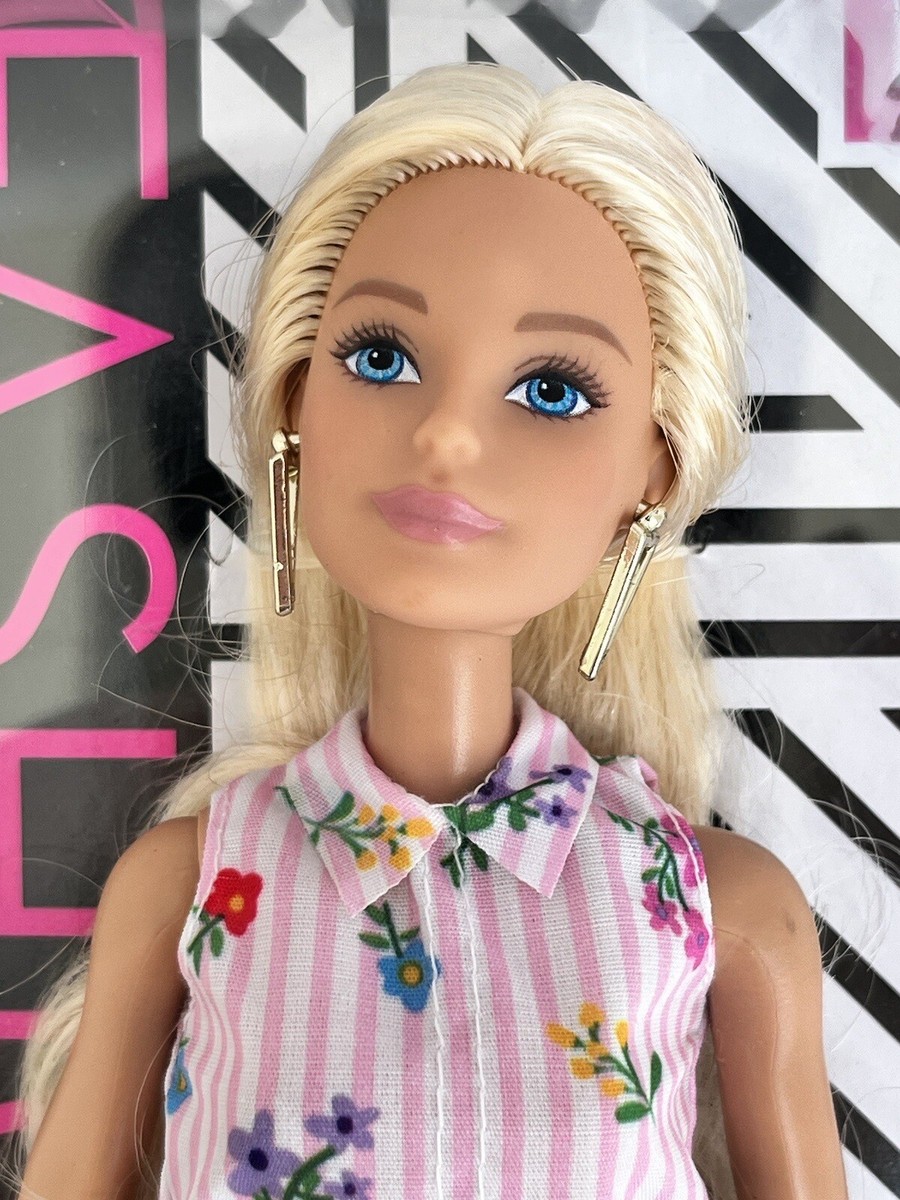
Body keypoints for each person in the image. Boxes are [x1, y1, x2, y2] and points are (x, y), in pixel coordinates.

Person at [14, 62, 846, 1199]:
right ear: (296, 404)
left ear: (651, 474)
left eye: (551, 390)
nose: (448, 434)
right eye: (382, 358)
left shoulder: (720, 906)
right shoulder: (197, 885)